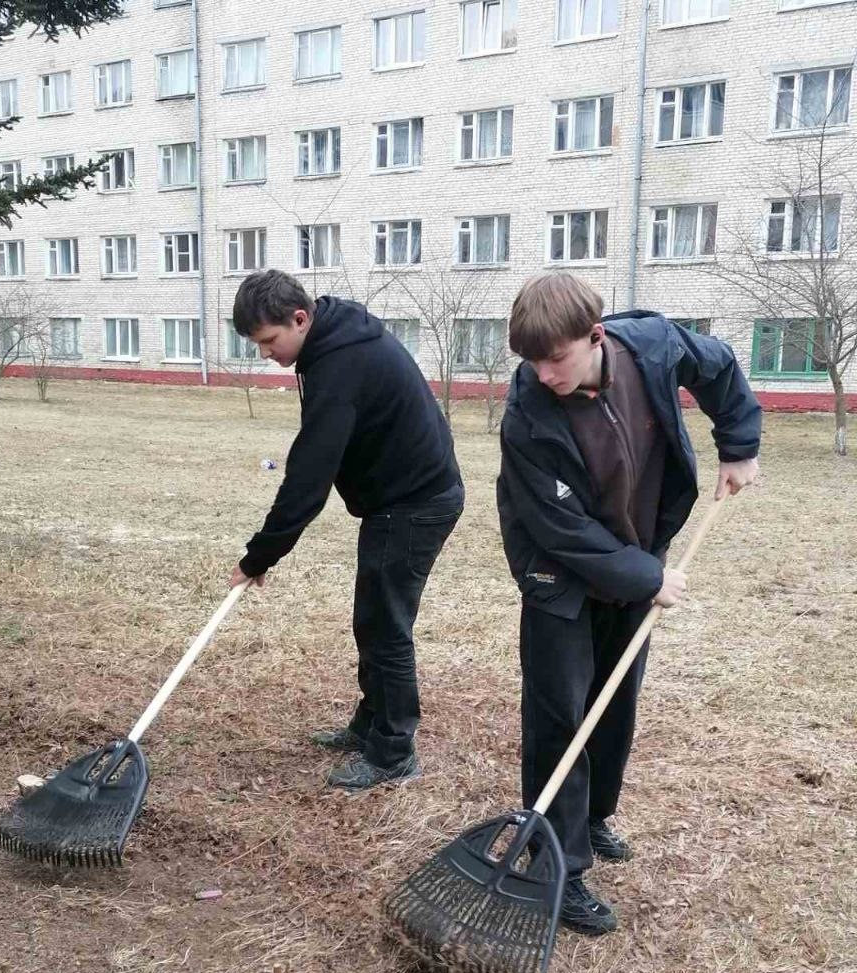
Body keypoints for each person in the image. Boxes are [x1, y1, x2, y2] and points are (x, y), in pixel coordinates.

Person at [497, 272, 760, 935]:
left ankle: (592, 817)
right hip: (559, 573)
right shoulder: (527, 413)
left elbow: (720, 366)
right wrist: (646, 579)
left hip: (640, 547)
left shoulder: (652, 347)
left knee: (616, 696)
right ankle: (559, 864)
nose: (543, 374)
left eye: (555, 358)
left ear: (595, 337)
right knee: (560, 714)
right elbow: (558, 528)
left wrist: (739, 443)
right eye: (531, 361)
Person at [229, 269, 464, 792]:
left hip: (416, 502)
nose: (265, 353)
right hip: (396, 499)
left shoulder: (340, 363)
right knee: (372, 620)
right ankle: (371, 723)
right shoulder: (332, 342)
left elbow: (308, 477)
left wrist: (259, 556)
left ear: (300, 319)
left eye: (269, 340)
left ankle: (394, 751)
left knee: (387, 625)